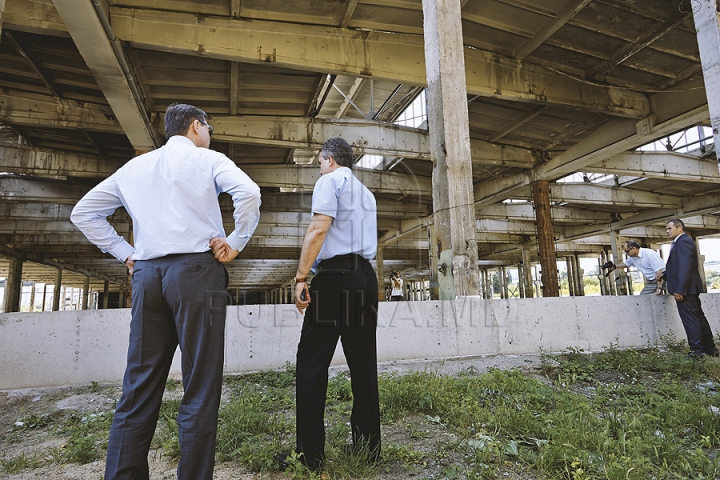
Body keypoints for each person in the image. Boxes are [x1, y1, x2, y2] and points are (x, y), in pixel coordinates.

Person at [71, 103, 261, 480]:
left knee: (138, 385)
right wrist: (236, 241)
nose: (210, 135)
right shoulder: (208, 160)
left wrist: (127, 254)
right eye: (208, 127)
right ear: (196, 126)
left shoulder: (134, 167)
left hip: (147, 276)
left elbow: (84, 213)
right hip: (196, 273)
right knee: (200, 385)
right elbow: (249, 193)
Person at [281, 137, 380, 471]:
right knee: (363, 364)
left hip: (335, 276)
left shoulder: (329, 181)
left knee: (311, 361)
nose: (319, 167)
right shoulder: (367, 194)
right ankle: (368, 449)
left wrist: (300, 277)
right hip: (365, 278)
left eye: (320, 161)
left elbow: (318, 229)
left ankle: (310, 457)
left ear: (328, 159)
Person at [664, 218, 718, 359]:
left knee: (691, 320)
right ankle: (710, 349)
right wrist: (664, 274)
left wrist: (680, 290)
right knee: (699, 319)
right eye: (666, 229)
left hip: (686, 290)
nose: (667, 231)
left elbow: (685, 268)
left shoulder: (683, 242)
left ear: (679, 228)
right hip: (689, 289)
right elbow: (678, 266)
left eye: (670, 228)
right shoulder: (681, 242)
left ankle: (697, 352)